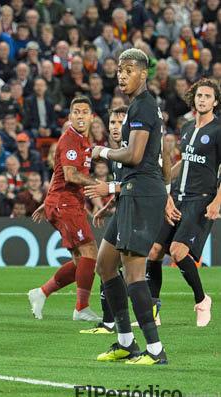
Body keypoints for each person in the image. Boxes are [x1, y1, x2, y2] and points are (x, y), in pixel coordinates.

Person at [89, 49, 170, 365]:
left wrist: (103, 151)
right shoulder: (141, 106)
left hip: (142, 195)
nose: (121, 75)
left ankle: (155, 350)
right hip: (131, 195)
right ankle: (125, 342)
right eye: (119, 71)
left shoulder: (143, 106)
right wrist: (113, 199)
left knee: (135, 274)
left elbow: (134, 156)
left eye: (128, 70)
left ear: (144, 73)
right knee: (105, 265)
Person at [144, 79, 220, 328]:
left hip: (200, 200)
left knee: (177, 251)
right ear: (193, 98)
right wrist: (165, 184)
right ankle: (153, 312)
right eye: (199, 95)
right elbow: (184, 162)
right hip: (177, 197)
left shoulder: (218, 130)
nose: (202, 100)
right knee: (154, 251)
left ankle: (202, 300)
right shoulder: (187, 128)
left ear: (215, 102)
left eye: (207, 96)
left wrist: (217, 201)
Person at [28, 96, 101, 322]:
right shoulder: (70, 139)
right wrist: (99, 185)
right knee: (90, 252)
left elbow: (58, 173)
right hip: (66, 204)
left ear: (91, 117)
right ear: (70, 117)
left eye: (84, 112)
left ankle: (41, 293)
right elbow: (70, 175)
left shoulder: (83, 141)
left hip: (64, 201)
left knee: (83, 261)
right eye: (76, 112)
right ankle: (81, 309)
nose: (80, 116)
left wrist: (48, 199)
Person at [80, 105, 129, 335]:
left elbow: (139, 184)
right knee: (105, 266)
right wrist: (106, 207)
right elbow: (123, 189)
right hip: (121, 214)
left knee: (126, 272)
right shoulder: (115, 154)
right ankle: (110, 324)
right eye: (112, 123)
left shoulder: (133, 153)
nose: (115, 127)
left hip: (136, 216)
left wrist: (107, 188)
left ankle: (137, 324)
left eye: (120, 123)